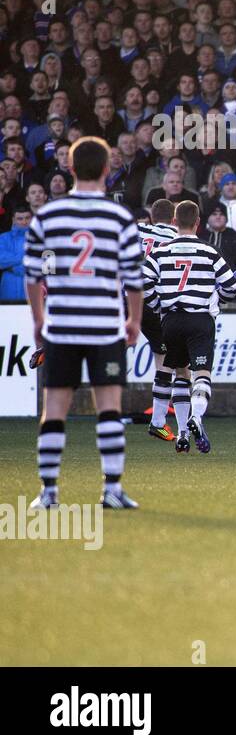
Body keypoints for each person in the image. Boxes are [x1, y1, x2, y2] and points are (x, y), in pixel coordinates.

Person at [23, 136, 144, 510]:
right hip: (105, 326)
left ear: (70, 168)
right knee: (108, 406)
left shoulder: (48, 215)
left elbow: (34, 274)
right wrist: (134, 321)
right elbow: (134, 277)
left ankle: (48, 493)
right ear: (108, 169)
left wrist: (39, 319)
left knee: (54, 408)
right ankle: (111, 489)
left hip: (61, 326)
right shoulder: (119, 216)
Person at [142, 200, 236, 455]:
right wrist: (219, 299)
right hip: (199, 320)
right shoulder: (209, 251)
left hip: (171, 320)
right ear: (198, 223)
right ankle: (195, 418)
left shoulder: (161, 252)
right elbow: (231, 285)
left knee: (181, 374)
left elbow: (141, 281)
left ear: (174, 222)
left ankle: (183, 435)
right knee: (202, 374)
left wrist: (157, 304)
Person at [137, 198, 183, 441]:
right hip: (156, 302)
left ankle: (55, 345)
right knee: (165, 359)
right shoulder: (178, 237)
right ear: (175, 219)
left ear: (151, 217)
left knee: (106, 339)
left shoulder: (138, 230)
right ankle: (158, 421)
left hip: (127, 295)